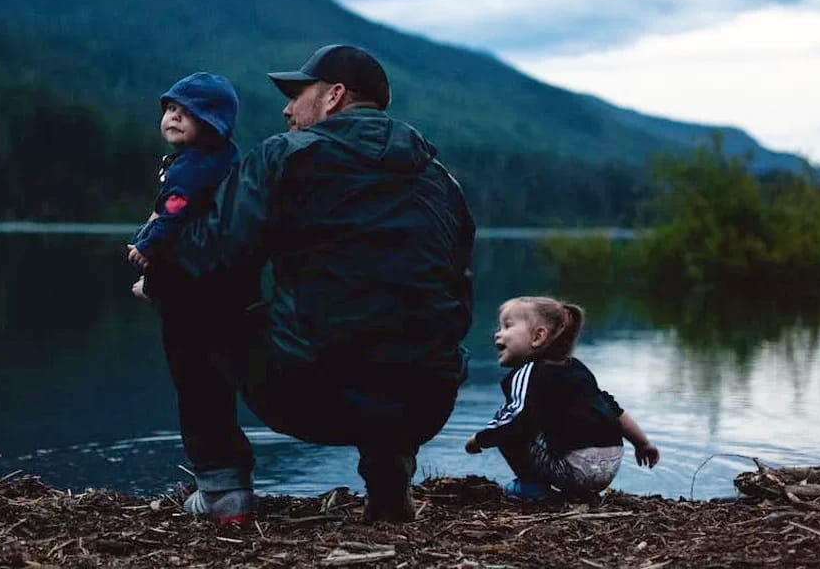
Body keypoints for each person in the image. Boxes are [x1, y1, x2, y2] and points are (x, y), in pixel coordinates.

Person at [129, 44, 475, 524]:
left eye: (297, 94)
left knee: (185, 292)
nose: (287, 109)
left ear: (333, 97)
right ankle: (388, 478)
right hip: (426, 402)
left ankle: (221, 486)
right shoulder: (442, 181)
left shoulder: (284, 157)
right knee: (402, 324)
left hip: (313, 394)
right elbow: (459, 294)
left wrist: (157, 280)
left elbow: (207, 256)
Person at [464, 296, 659, 502]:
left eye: (507, 326)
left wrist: (479, 440)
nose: (497, 334)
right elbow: (613, 409)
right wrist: (642, 444)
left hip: (574, 470)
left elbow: (513, 419)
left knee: (510, 422)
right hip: (609, 468)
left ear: (538, 336)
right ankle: (580, 494)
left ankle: (530, 487)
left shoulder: (527, 373)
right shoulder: (577, 368)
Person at [126, 71, 251, 302]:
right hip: (217, 271)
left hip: (193, 266)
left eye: (189, 113)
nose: (175, 117)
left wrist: (147, 246)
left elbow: (174, 212)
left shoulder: (193, 167)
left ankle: (152, 286)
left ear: (211, 125)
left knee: (144, 238)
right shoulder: (222, 156)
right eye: (172, 108)